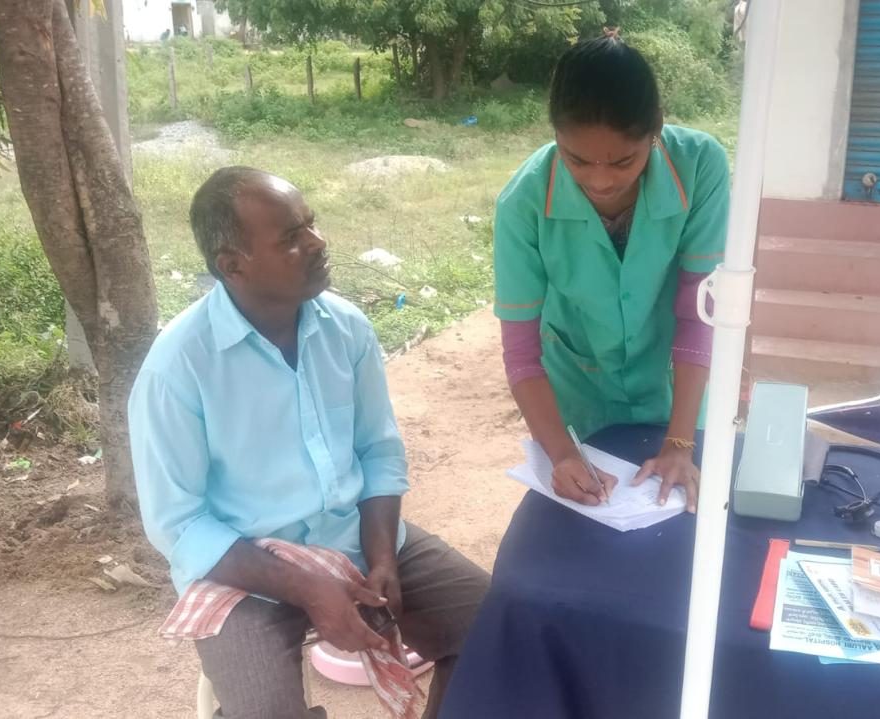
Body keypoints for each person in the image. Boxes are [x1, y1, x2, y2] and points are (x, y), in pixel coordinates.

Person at [129, 167, 489, 719]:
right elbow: (178, 524)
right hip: (247, 571)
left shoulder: (345, 328)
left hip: (355, 538)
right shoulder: (178, 368)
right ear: (232, 265)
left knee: (500, 626)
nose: (317, 243)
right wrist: (312, 589)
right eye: (291, 238)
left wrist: (382, 556)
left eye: (311, 226)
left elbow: (377, 450)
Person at [494, 33, 729, 514]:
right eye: (576, 159)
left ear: (656, 130)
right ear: (555, 136)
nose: (601, 180)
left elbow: (699, 313)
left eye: (625, 160)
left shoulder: (700, 167)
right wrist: (562, 454)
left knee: (683, 526)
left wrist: (680, 443)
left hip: (677, 391)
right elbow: (520, 351)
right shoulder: (523, 202)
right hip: (578, 405)